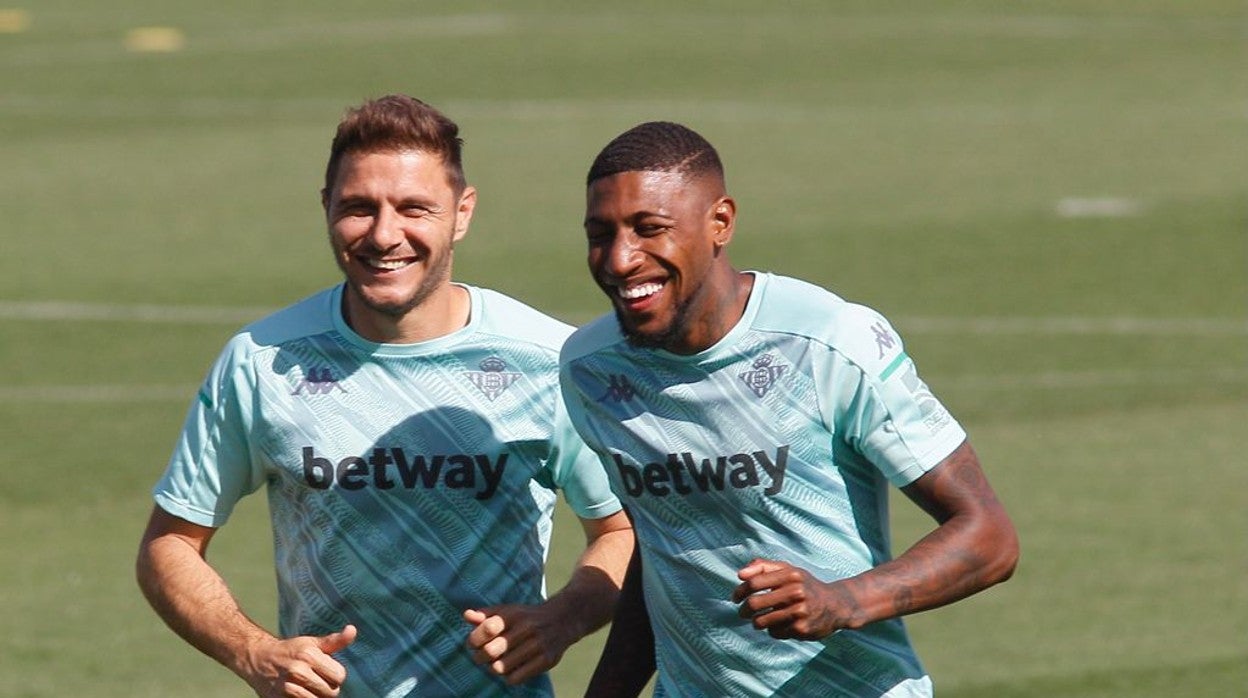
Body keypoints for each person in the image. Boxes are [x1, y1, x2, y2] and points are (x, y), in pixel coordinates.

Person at [135, 95, 633, 698]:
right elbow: (170, 544)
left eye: (413, 208)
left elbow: (623, 530)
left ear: (462, 213)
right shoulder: (262, 361)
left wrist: (564, 618)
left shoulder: (548, 361)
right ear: (326, 208)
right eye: (358, 208)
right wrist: (254, 651)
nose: (384, 234)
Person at [559, 121, 1019, 697]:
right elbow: (660, 558)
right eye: (600, 234)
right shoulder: (593, 370)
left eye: (649, 229)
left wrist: (842, 600)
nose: (620, 259)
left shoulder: (827, 342)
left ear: (720, 222)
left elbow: (989, 537)